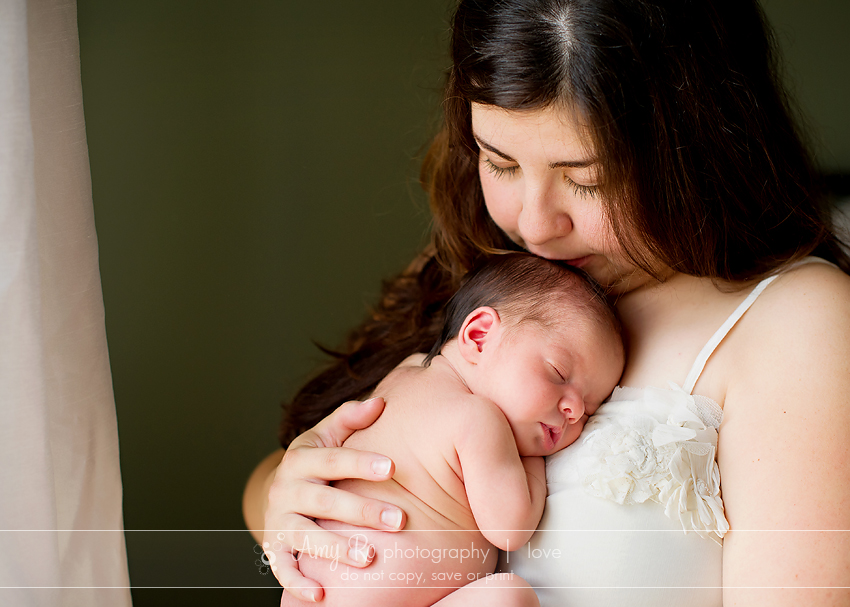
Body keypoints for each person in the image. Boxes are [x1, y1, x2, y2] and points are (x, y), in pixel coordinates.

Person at [243, 1, 850, 605]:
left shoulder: (799, 322)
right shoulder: (503, 276)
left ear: (698, 147)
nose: (535, 226)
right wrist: (290, 496)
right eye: (500, 163)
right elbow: (283, 466)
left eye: (588, 179)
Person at [283, 252, 623, 606]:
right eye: (558, 374)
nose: (574, 409)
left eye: (590, 409)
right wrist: (532, 459)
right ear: (478, 336)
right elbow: (511, 529)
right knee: (509, 595)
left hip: (305, 592)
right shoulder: (477, 419)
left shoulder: (406, 372)